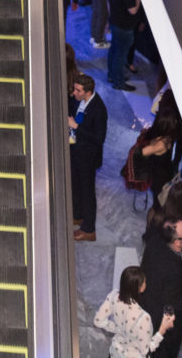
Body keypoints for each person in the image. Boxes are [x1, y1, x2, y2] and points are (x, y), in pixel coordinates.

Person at [141, 220, 182, 357]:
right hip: (162, 326)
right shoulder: (174, 270)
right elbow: (175, 302)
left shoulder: (156, 241)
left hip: (146, 305)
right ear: (177, 242)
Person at [94, 264, 175, 357]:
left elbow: (98, 321)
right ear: (140, 288)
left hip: (115, 353)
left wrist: (119, 329)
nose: (146, 282)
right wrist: (162, 329)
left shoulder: (114, 295)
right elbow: (146, 350)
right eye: (144, 281)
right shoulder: (143, 318)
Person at [68, 73, 108, 242]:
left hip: (88, 157)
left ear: (88, 92)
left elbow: (99, 138)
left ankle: (89, 229)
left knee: (87, 192)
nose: (74, 93)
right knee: (76, 186)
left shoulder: (98, 109)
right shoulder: (80, 101)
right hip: (76, 152)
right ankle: (78, 215)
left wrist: (76, 126)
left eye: (77, 90)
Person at [107, 0, 141, 91]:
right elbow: (133, 11)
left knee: (113, 51)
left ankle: (112, 76)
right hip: (124, 27)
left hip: (114, 23)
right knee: (120, 56)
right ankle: (118, 82)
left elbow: (109, 4)